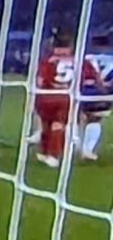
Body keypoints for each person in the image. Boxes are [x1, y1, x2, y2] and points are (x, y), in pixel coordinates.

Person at [33, 32, 102, 167]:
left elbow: (39, 80)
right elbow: (94, 78)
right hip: (66, 98)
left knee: (47, 124)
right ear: (71, 46)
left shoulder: (48, 61)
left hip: (45, 98)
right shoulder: (80, 61)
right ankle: (54, 156)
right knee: (58, 125)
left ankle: (45, 152)